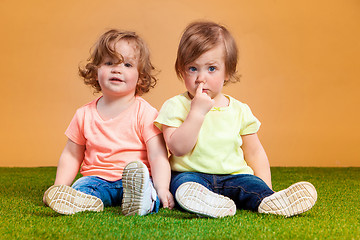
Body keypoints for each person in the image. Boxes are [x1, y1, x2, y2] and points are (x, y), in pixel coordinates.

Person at [154, 21, 317, 218]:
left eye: (211, 68)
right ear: (181, 70)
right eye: (192, 68)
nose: (200, 78)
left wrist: (267, 187)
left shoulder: (240, 110)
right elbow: (177, 148)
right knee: (182, 185)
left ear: (228, 73)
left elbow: (255, 152)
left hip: (234, 176)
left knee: (252, 185)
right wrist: (196, 113)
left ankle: (270, 201)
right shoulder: (175, 106)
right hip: (191, 175)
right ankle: (207, 203)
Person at [43, 29, 174, 216]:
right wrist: (59, 186)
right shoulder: (83, 114)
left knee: (148, 188)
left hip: (134, 181)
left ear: (140, 77)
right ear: (96, 71)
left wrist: (162, 188)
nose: (117, 69)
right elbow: (71, 156)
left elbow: (158, 156)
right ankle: (82, 200)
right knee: (82, 186)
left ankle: (144, 200)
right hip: (97, 179)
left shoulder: (145, 113)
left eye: (128, 64)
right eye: (109, 62)